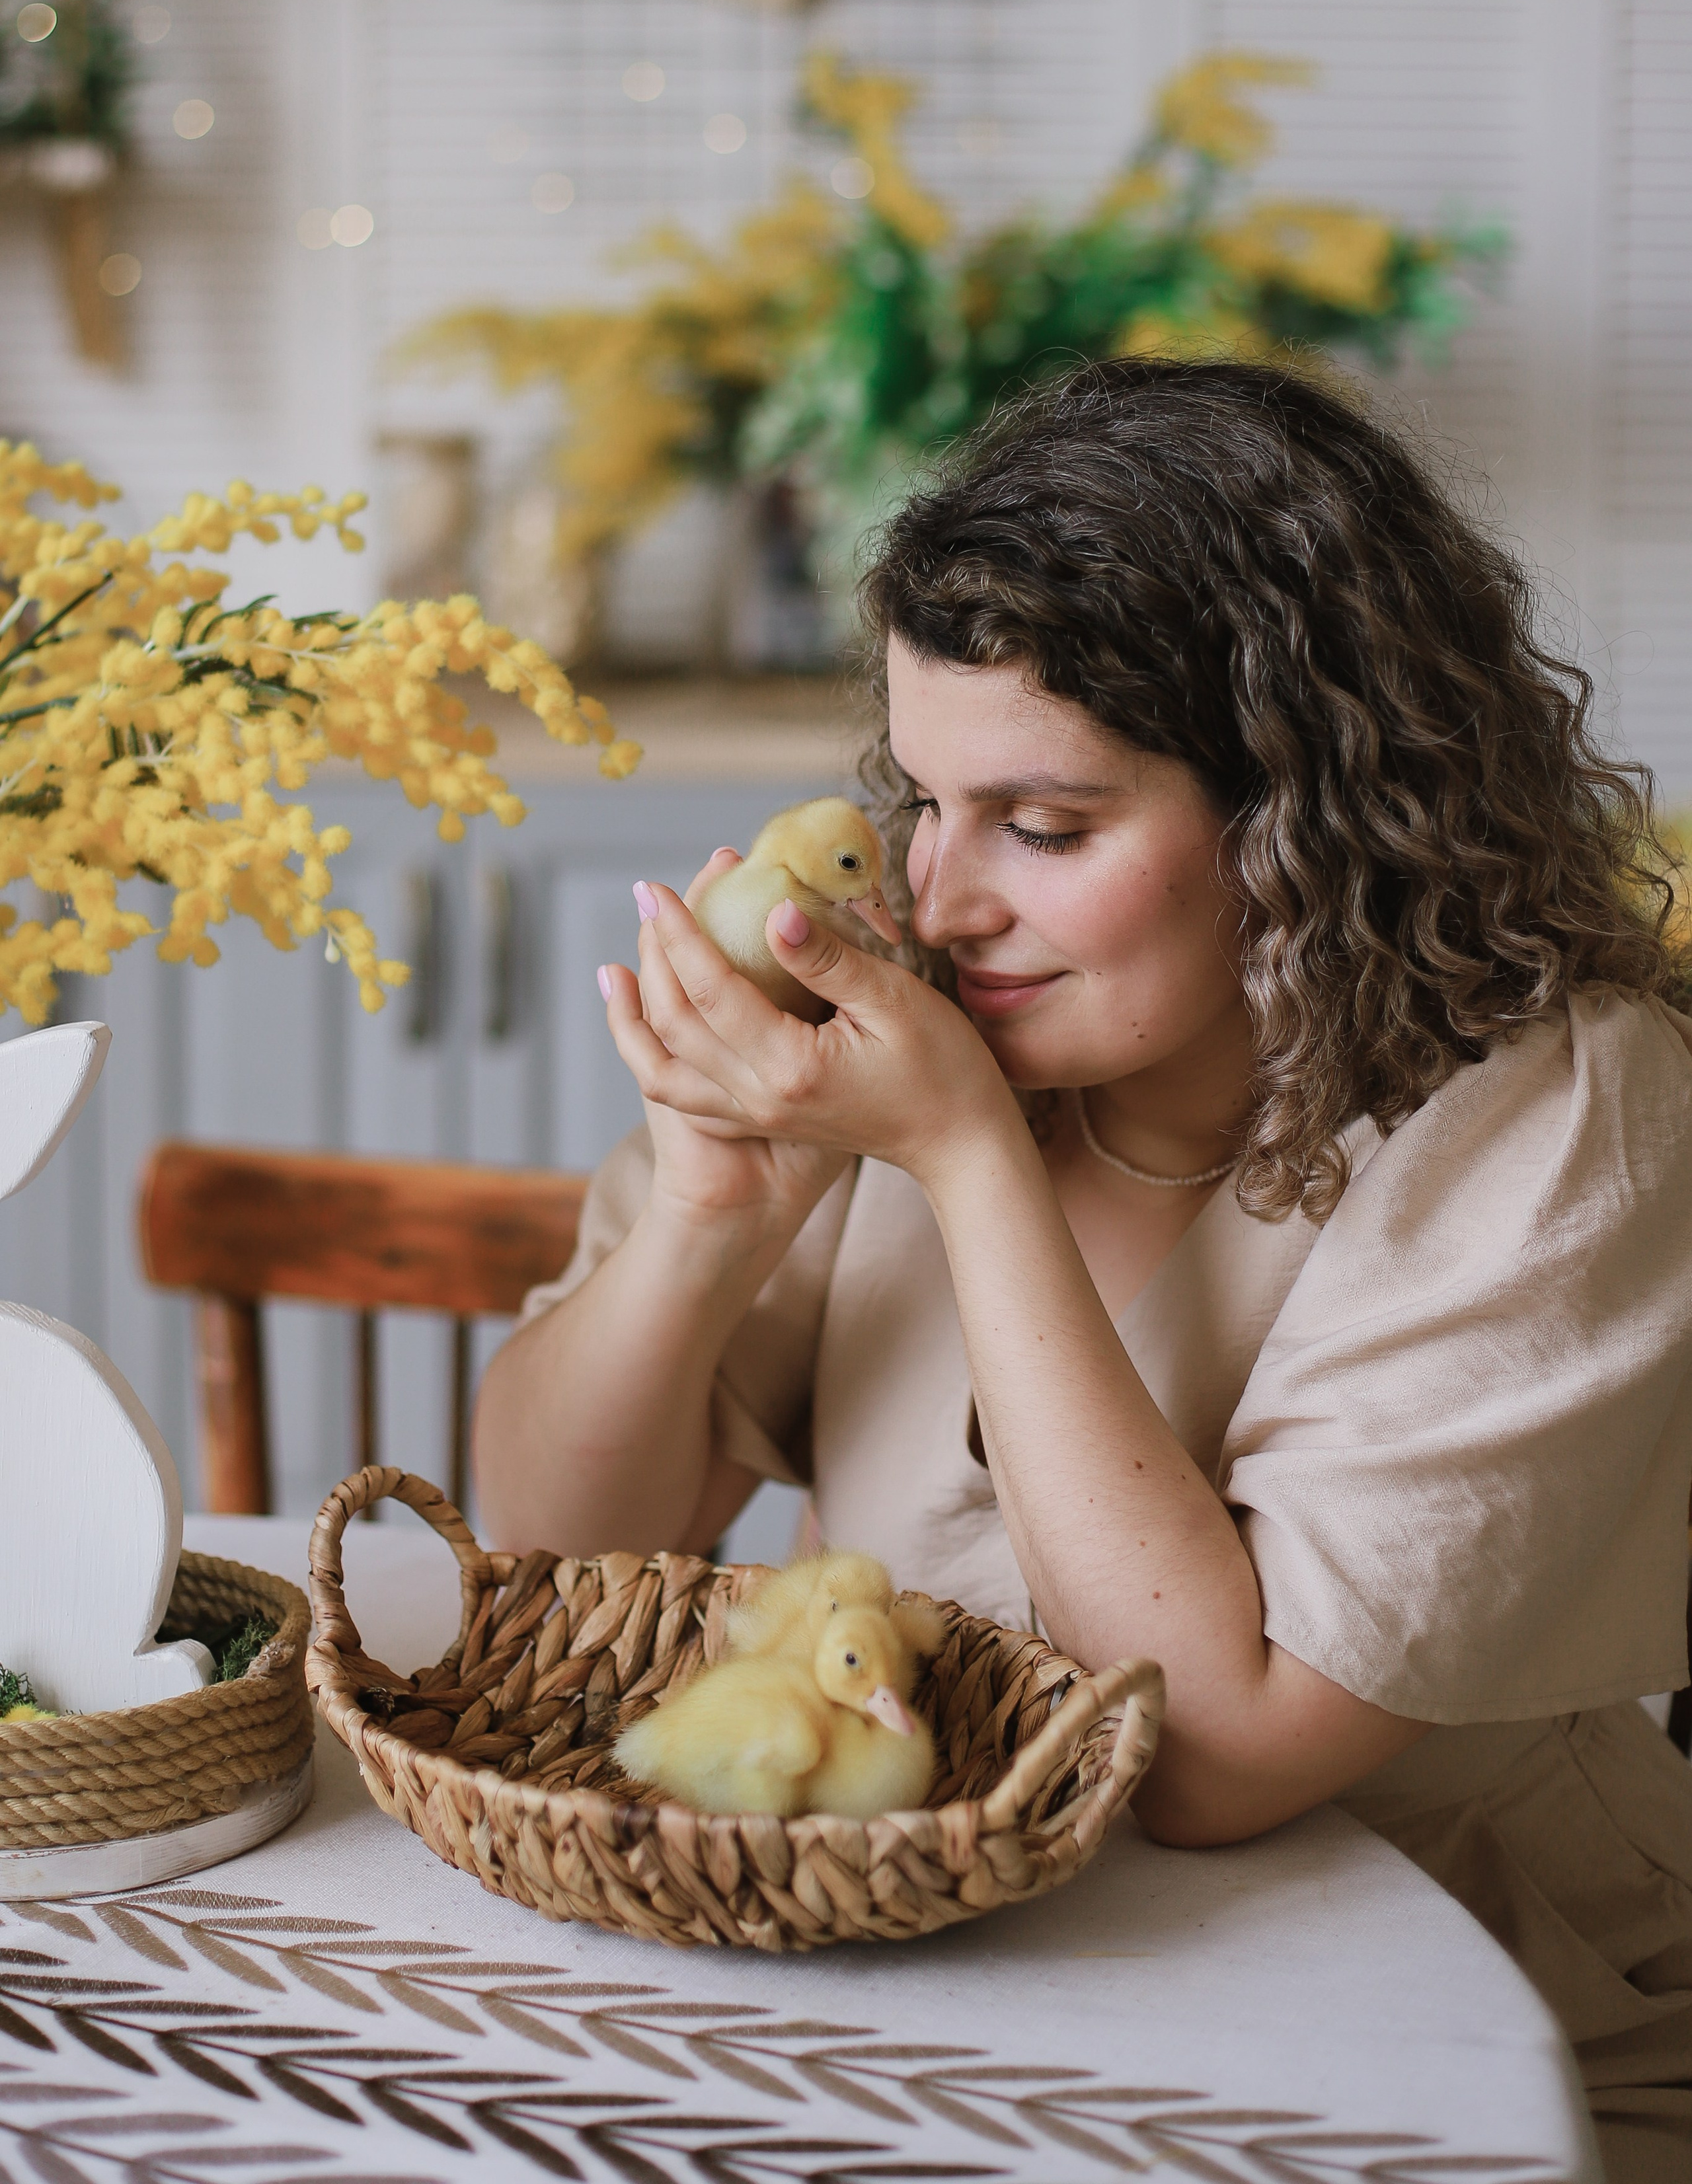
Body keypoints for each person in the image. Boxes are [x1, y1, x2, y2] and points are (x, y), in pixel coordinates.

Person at [475, 358, 1692, 2181]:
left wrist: (967, 1161)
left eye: (1047, 828)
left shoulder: (1557, 1109)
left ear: (1306, 812)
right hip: (922, 1990)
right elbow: (541, 1565)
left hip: (1459, 2050)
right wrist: (714, 1212)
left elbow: (1205, 1761)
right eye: (925, 801)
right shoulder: (916, 1018)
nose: (948, 901)